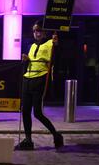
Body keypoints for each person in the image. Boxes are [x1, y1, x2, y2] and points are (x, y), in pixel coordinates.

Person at [15, 19, 64, 151]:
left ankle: (56, 135)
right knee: (25, 111)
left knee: (37, 113)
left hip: (40, 79)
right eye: (35, 30)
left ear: (44, 32)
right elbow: (29, 62)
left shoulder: (50, 43)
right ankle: (28, 140)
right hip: (27, 79)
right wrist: (26, 59)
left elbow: (56, 57)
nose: (36, 33)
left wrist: (56, 44)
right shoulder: (32, 46)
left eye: (39, 30)